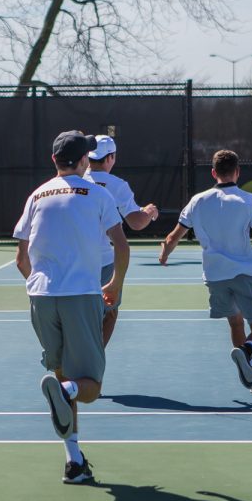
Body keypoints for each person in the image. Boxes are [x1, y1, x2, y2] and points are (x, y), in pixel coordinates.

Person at [14, 130, 129, 484]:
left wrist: (41, 286)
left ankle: (74, 462)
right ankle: (64, 393)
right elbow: (122, 247)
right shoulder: (98, 193)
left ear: (53, 160)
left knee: (65, 373)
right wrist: (115, 284)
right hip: (81, 294)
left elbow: (21, 259)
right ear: (84, 162)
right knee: (88, 385)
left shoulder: (36, 195)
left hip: (40, 298)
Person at [159, 149, 252, 393]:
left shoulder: (197, 201)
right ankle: (246, 351)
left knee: (235, 323)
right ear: (237, 172)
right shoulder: (249, 200)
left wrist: (165, 253)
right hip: (244, 273)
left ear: (213, 172)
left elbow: (173, 236)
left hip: (214, 277)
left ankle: (248, 370)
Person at [85, 135, 159, 346]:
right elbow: (136, 222)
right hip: (103, 262)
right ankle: (93, 361)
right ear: (111, 158)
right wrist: (149, 212)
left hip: (74, 260)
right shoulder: (117, 185)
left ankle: (69, 365)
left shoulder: (76, 180)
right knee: (109, 313)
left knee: (76, 314)